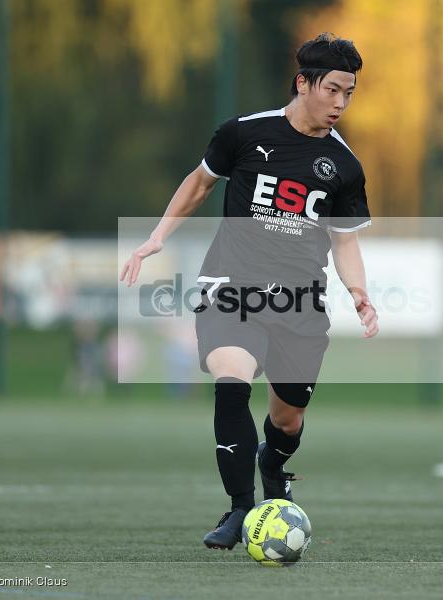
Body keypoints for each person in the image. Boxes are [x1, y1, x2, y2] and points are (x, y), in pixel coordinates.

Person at [120, 33, 379, 548]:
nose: (340, 103)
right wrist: (156, 237)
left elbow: (344, 240)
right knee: (231, 379)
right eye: (331, 89)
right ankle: (240, 509)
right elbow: (199, 183)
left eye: (349, 93)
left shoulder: (344, 166)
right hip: (232, 286)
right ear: (303, 83)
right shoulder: (242, 133)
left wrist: (359, 291)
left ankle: (272, 462)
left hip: (300, 302)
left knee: (287, 420)